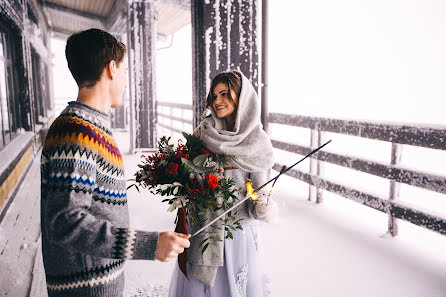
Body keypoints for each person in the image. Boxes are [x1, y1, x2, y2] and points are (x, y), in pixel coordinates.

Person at [40, 28, 190, 297]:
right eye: (124, 71)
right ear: (111, 68)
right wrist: (149, 245)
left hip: (97, 281)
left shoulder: (91, 128)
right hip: (86, 287)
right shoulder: (78, 133)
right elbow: (66, 222)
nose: (125, 81)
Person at [168, 70, 278, 297]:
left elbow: (258, 196)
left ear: (241, 96)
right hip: (204, 228)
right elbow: (187, 174)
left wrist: (263, 207)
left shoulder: (256, 141)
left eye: (225, 94)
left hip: (236, 234)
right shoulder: (203, 133)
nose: (217, 101)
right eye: (214, 95)